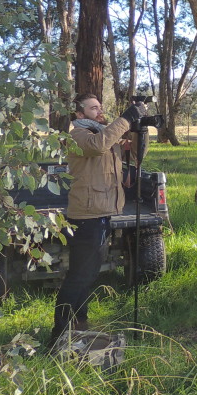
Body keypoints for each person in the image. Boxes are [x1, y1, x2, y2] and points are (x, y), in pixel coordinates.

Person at [48, 93, 146, 347]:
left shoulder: (100, 132)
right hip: (87, 215)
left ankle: (79, 326)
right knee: (79, 277)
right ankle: (59, 334)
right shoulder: (78, 136)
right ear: (79, 115)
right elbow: (97, 146)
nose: (99, 111)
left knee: (87, 274)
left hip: (101, 212)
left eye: (100, 107)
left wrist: (137, 127)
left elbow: (128, 150)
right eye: (93, 108)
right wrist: (125, 118)